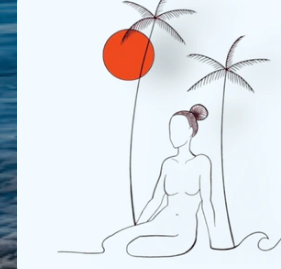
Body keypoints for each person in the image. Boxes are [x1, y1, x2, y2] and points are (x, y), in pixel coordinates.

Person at [73, 105, 224, 257]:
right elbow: (155, 201)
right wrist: (136, 228)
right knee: (110, 243)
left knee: (133, 248)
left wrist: (215, 241)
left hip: (182, 232)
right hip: (161, 222)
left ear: (190, 131)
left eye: (178, 130)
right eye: (171, 130)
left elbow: (207, 202)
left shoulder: (202, 162)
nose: (173, 135)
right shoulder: (168, 164)